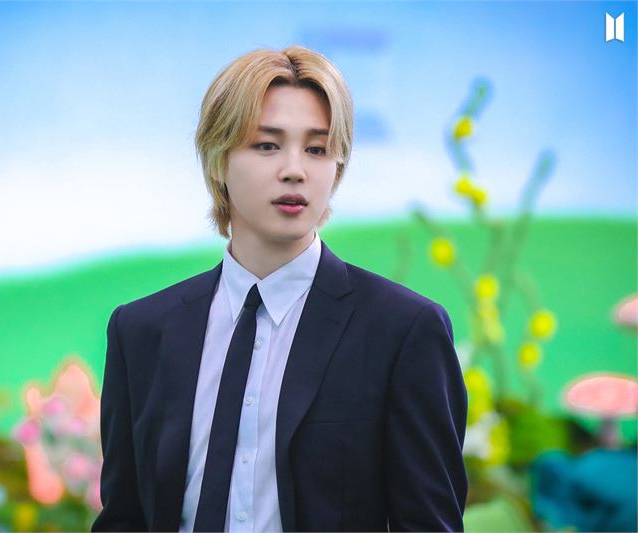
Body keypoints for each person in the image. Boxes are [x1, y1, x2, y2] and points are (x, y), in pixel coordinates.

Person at [91, 45, 468, 533]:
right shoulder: (141, 331)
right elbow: (123, 517)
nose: (295, 169)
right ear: (218, 160)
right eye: (267, 145)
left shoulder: (403, 331)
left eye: (317, 149)